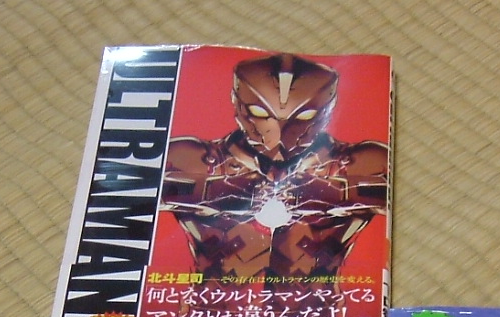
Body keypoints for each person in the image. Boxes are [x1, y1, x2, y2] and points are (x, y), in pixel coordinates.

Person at [160, 52, 389, 278]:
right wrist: (225, 190)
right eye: (260, 113)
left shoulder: (358, 163)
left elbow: (392, 200)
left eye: (303, 116)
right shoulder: (194, 159)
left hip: (313, 300)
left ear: (327, 109)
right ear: (237, 102)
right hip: (214, 300)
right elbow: (143, 196)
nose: (279, 132)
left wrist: (324, 192)